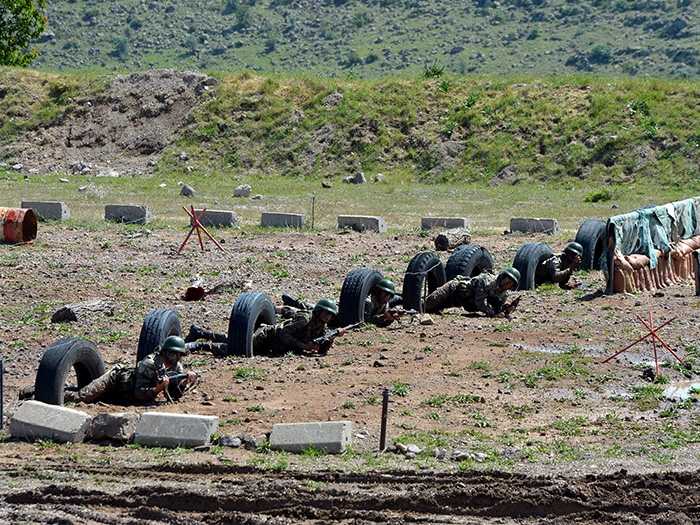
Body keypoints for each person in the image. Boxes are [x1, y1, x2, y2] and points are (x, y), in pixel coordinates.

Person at [63, 336, 198, 405]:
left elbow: (173, 395)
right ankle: (59, 394)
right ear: (165, 352)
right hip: (114, 381)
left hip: (125, 396)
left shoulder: (177, 368)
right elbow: (139, 392)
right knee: (82, 398)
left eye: (179, 354)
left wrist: (184, 383)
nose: (176, 357)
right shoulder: (149, 364)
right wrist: (157, 389)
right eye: (173, 353)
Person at [252, 298, 345, 355]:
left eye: (331, 314)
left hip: (274, 348)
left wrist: (332, 338)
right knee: (242, 346)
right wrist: (303, 346)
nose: (328, 316)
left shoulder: (321, 326)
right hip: (266, 337)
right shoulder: (305, 319)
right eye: (326, 312)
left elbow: (322, 350)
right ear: (318, 311)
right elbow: (284, 334)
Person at [423, 268, 520, 318]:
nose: (508, 284)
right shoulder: (487, 280)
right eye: (507, 280)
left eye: (511, 283)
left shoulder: (503, 294)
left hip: (458, 301)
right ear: (502, 277)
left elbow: (497, 307)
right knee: (425, 305)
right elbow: (480, 302)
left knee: (433, 310)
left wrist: (504, 311)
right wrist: (492, 313)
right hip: (452, 290)